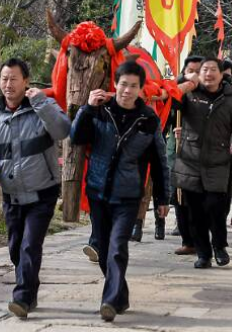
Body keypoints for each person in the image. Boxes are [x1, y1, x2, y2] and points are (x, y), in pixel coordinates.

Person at [70, 61, 170, 322]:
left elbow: (159, 162)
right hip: (98, 192)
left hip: (128, 196)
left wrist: (162, 198)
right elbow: (77, 137)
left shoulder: (148, 119)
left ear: (140, 89)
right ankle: (121, 295)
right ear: (115, 84)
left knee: (116, 249)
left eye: (133, 86)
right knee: (103, 251)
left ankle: (110, 301)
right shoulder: (100, 111)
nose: (127, 90)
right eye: (123, 84)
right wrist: (87, 108)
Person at [0, 58, 71, 319]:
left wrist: (40, 102)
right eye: (4, 79)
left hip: (43, 193)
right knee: (16, 248)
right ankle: (30, 289)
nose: (8, 84)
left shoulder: (43, 105)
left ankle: (22, 298)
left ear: (26, 81)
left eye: (14, 79)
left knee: (30, 245)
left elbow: (63, 130)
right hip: (12, 195)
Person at [172, 57, 232, 269]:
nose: (208, 73)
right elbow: (170, 94)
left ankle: (219, 245)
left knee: (216, 209)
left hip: (218, 163)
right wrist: (183, 78)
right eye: (204, 70)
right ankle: (203, 254)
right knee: (195, 213)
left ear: (221, 75)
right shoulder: (189, 95)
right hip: (190, 162)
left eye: (212, 70)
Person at [167, 55, 203, 255]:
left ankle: (202, 239)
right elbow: (166, 116)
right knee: (179, 195)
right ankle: (187, 239)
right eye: (191, 71)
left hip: (204, 154)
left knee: (200, 199)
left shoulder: (212, 94)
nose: (194, 75)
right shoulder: (177, 92)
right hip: (179, 151)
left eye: (199, 71)